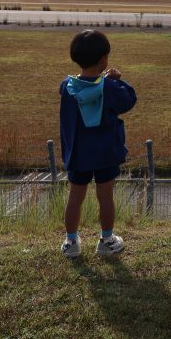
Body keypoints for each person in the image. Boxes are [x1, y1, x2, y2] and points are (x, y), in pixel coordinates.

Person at [59, 30, 137, 258]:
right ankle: (106, 239)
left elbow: (68, 90)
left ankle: (70, 242)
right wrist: (116, 80)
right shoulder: (109, 87)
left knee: (75, 196)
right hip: (105, 153)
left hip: (78, 153)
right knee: (105, 196)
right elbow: (129, 100)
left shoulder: (67, 87)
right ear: (104, 59)